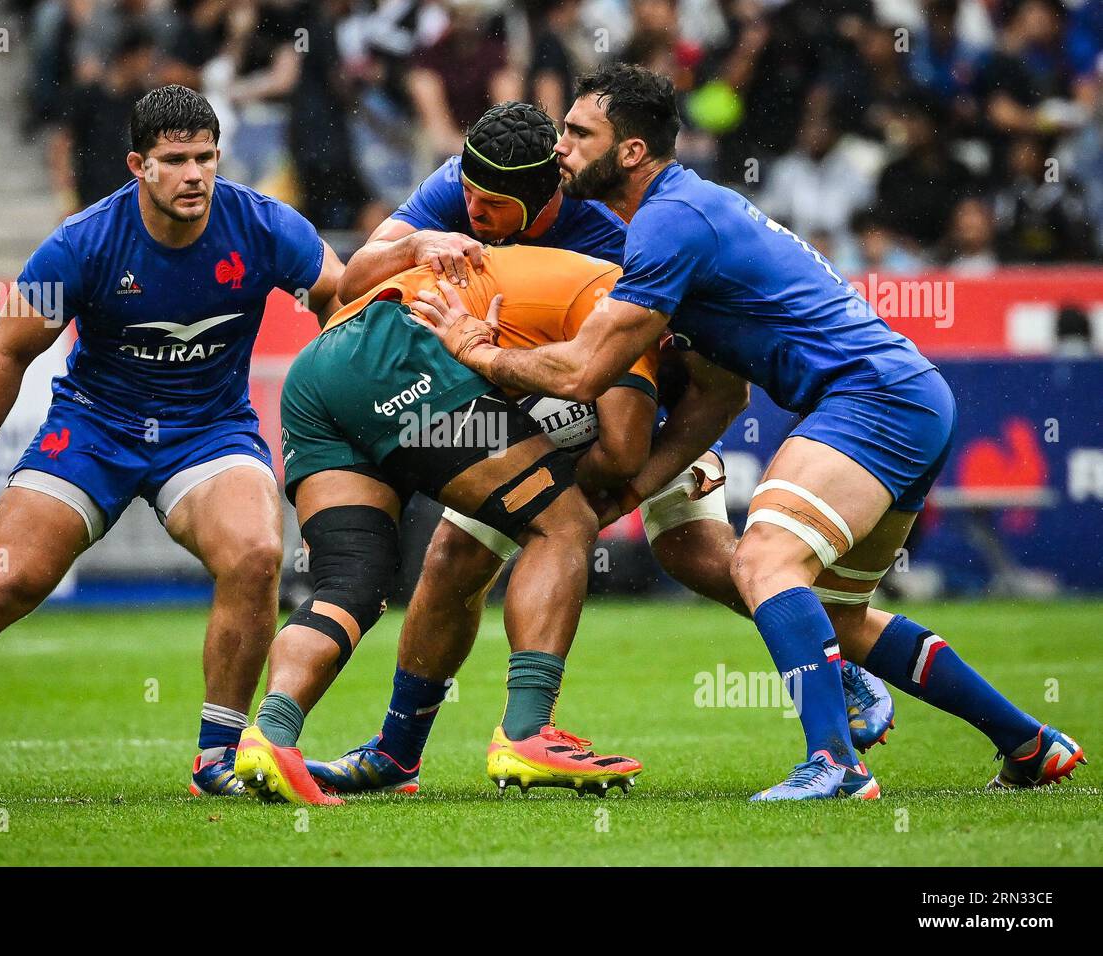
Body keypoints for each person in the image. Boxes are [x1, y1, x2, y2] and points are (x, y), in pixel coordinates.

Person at [413, 63, 1086, 800]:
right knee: (839, 617)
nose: (561, 147)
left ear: (631, 151)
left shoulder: (669, 223)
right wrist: (636, 487)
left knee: (763, 560)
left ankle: (834, 764)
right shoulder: (676, 215)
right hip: (904, 396)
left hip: (872, 397)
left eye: (578, 133)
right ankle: (1030, 742)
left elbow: (581, 372)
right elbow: (722, 396)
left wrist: (477, 348)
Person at [309, 101, 895, 795]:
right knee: (452, 554)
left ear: (544, 198)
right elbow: (349, 282)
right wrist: (413, 246)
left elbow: (704, 378)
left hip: (641, 396)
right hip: (528, 388)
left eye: (489, 205)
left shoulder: (623, 227)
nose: (469, 212)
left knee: (702, 557)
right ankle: (398, 752)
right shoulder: (459, 184)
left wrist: (639, 471)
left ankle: (836, 669)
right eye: (464, 194)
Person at [0, 85, 344, 804]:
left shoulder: (266, 226)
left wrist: (335, 372)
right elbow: (6, 353)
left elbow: (338, 295)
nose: (195, 175)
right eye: (176, 160)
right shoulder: (84, 242)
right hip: (93, 428)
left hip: (208, 432)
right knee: (7, 579)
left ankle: (214, 760)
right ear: (137, 165)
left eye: (207, 158)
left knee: (256, 553)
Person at [232, 243, 649, 805]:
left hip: (324, 366)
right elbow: (622, 452)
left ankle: (272, 733)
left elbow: (353, 279)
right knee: (563, 521)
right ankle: (527, 731)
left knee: (352, 584)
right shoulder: (631, 302)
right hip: (406, 361)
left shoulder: (548, 263)